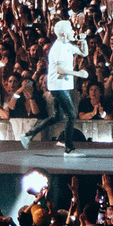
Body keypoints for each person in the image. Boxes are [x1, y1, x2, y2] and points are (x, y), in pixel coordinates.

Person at [42, 18, 85, 151]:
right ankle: (69, 148)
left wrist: (83, 41)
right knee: (70, 115)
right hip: (59, 87)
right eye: (71, 29)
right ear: (64, 33)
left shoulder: (67, 45)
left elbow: (84, 53)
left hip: (64, 86)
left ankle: (29, 134)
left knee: (58, 116)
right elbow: (60, 70)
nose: (73, 31)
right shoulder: (58, 48)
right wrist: (78, 74)